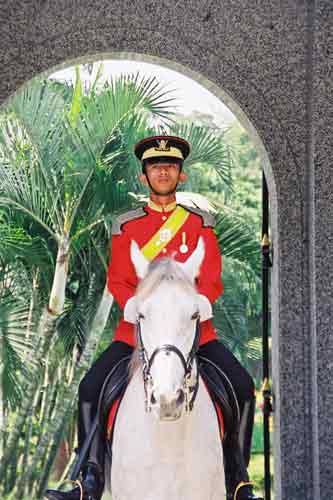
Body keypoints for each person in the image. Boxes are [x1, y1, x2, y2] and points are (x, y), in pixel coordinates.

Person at [46, 135, 262, 500]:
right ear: (144, 177)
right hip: (137, 335)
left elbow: (209, 275)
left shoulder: (200, 223)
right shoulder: (126, 225)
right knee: (90, 388)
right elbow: (119, 278)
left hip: (195, 335)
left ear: (182, 175)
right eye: (155, 167)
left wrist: (205, 299)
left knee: (241, 387)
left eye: (170, 166)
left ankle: (238, 481)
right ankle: (90, 481)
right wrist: (129, 301)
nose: (163, 171)